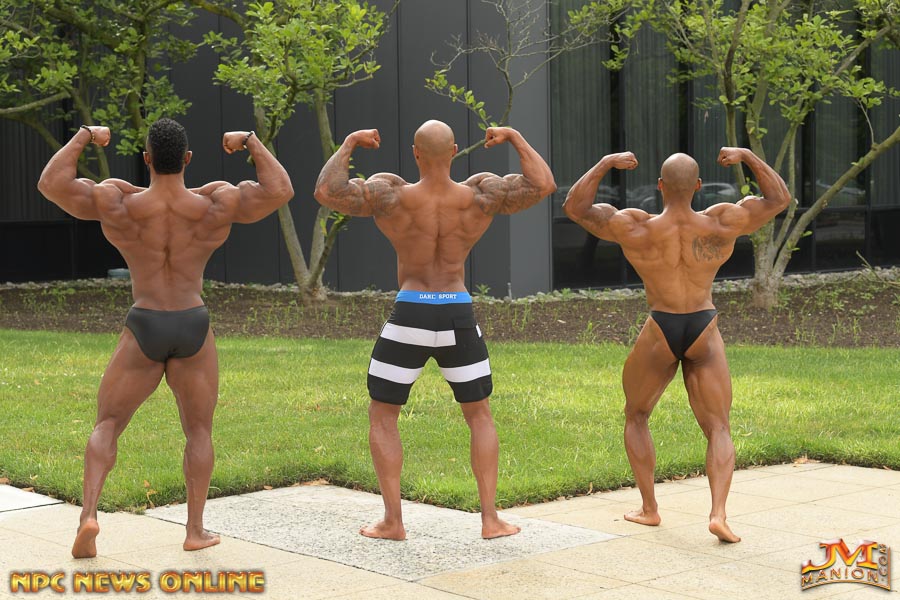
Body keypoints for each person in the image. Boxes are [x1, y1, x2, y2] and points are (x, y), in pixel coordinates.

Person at [37, 118, 294, 558]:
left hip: (145, 322)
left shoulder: (118, 201)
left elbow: (51, 183)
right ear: (188, 159)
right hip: (192, 322)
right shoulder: (216, 202)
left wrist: (85, 136)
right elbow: (279, 189)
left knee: (108, 424)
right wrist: (250, 141)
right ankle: (194, 530)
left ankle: (89, 516)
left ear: (147, 159)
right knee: (198, 430)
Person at [314, 120, 556, 540]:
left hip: (410, 315)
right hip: (457, 314)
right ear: (455, 151)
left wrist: (350, 142)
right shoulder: (480, 195)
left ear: (415, 153)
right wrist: (515, 137)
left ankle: (393, 521)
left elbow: (327, 191)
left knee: (383, 415)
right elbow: (543, 184)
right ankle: (490, 520)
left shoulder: (392, 195)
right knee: (479, 415)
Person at [563, 148, 790, 543]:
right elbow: (779, 199)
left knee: (636, 414)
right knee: (718, 426)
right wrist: (747, 156)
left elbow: (575, 207)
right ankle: (718, 514)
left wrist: (604, 163)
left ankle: (650, 509)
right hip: (703, 325)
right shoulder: (722, 220)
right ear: (699, 186)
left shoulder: (635, 226)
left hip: (661, 326)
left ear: (660, 186)